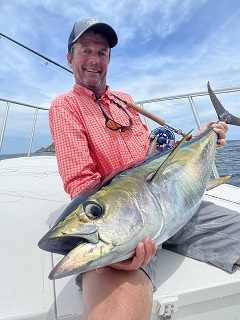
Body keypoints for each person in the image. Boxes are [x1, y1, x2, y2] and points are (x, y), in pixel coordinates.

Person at [49, 18, 240, 320]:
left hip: (174, 201)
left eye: (102, 53)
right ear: (70, 58)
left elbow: (152, 157)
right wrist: (116, 251)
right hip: (126, 227)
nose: (94, 60)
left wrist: (206, 140)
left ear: (109, 60)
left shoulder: (125, 100)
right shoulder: (65, 106)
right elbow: (81, 182)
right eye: (85, 50)